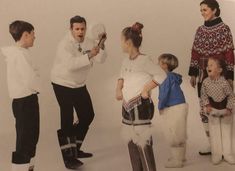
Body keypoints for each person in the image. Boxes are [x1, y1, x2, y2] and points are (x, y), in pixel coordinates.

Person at [50, 15, 107, 169]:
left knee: (88, 115)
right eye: (77, 29)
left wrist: (101, 43)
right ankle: (69, 159)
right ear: (71, 29)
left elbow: (101, 59)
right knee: (67, 118)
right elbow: (70, 65)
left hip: (78, 84)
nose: (80, 32)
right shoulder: (64, 44)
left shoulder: (88, 41)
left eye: (82, 28)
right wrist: (89, 54)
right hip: (62, 83)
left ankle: (75, 148)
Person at [116, 22, 166, 171]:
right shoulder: (125, 60)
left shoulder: (144, 60)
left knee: (142, 141)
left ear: (128, 42)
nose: (120, 44)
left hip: (140, 105)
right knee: (131, 140)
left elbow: (161, 75)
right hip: (127, 105)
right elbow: (121, 76)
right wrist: (118, 89)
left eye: (121, 40)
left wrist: (146, 89)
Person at [188, 0, 234, 155]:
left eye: (205, 9)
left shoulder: (224, 29)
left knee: (223, 109)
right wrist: (193, 73)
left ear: (214, 10)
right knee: (205, 108)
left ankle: (225, 146)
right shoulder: (200, 30)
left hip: (221, 76)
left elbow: (229, 53)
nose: (202, 13)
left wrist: (230, 76)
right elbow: (195, 51)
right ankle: (212, 144)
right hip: (203, 76)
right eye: (201, 10)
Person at [1, 20, 40, 171]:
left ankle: (28, 168)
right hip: (25, 102)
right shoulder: (19, 55)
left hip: (25, 101)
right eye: (33, 34)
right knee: (25, 139)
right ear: (25, 35)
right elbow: (31, 79)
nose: (34, 37)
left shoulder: (21, 53)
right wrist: (38, 82)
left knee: (30, 137)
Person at [201, 57, 235, 164]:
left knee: (226, 132)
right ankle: (217, 154)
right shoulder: (205, 82)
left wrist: (229, 108)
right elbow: (203, 95)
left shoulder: (224, 83)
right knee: (214, 132)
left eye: (211, 65)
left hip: (225, 110)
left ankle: (228, 154)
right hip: (213, 110)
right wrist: (207, 105)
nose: (208, 67)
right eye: (207, 65)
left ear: (220, 70)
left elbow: (231, 96)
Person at [158, 54, 188, 168]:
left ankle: (177, 160)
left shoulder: (165, 77)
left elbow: (164, 94)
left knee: (174, 133)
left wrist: (160, 106)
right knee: (180, 132)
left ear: (164, 66)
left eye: (159, 63)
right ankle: (181, 156)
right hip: (181, 105)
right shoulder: (173, 76)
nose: (157, 65)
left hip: (174, 107)